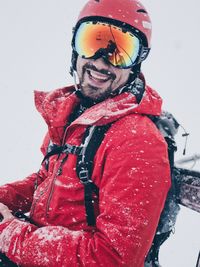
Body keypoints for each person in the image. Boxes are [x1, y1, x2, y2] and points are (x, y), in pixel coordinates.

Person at [0, 0, 171, 266]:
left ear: (137, 63)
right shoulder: (76, 117)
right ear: (75, 49)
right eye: (93, 41)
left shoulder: (137, 140)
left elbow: (113, 258)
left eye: (120, 51)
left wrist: (11, 235)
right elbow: (48, 182)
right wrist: (4, 198)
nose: (101, 61)